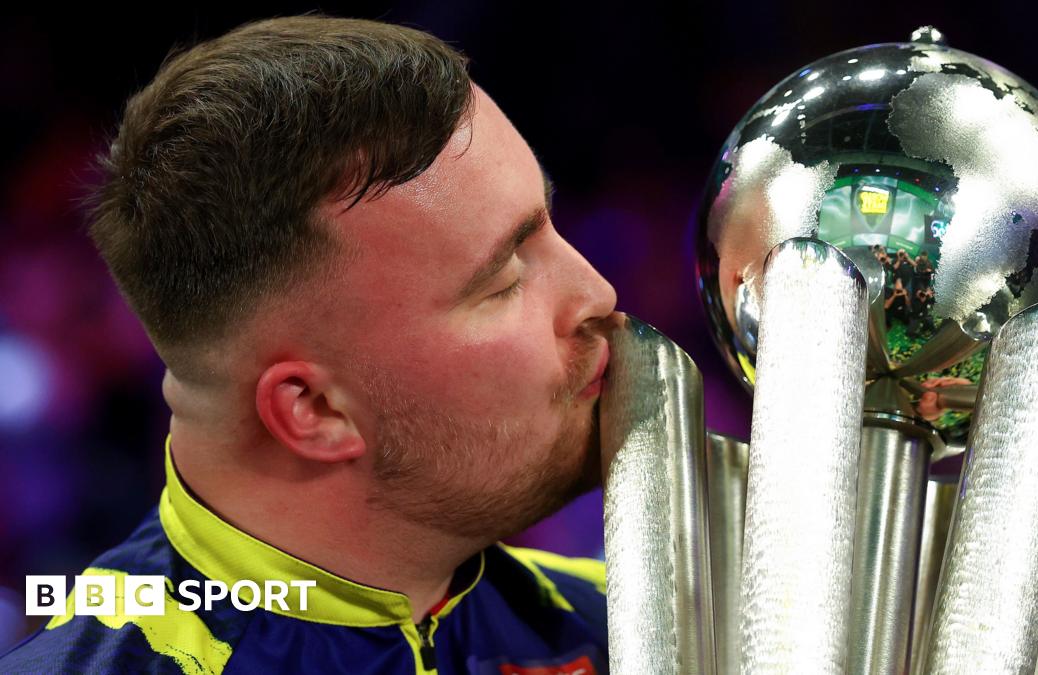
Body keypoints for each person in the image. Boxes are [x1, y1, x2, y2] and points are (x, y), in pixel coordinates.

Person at [0, 13, 617, 675]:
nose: (599, 292)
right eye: (504, 278)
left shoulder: (637, 619)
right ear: (314, 408)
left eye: (549, 222)